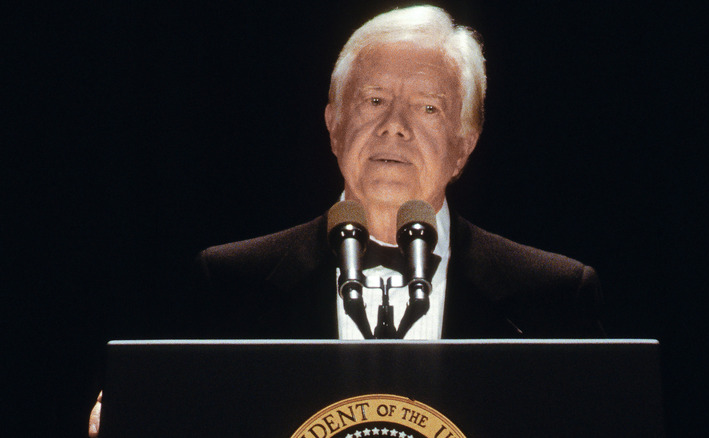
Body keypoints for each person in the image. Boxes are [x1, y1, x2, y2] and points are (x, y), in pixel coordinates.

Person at [89, 5, 603, 435]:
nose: (394, 127)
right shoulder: (231, 285)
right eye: (374, 100)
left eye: (427, 107)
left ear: (465, 144)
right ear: (334, 124)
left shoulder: (550, 298)